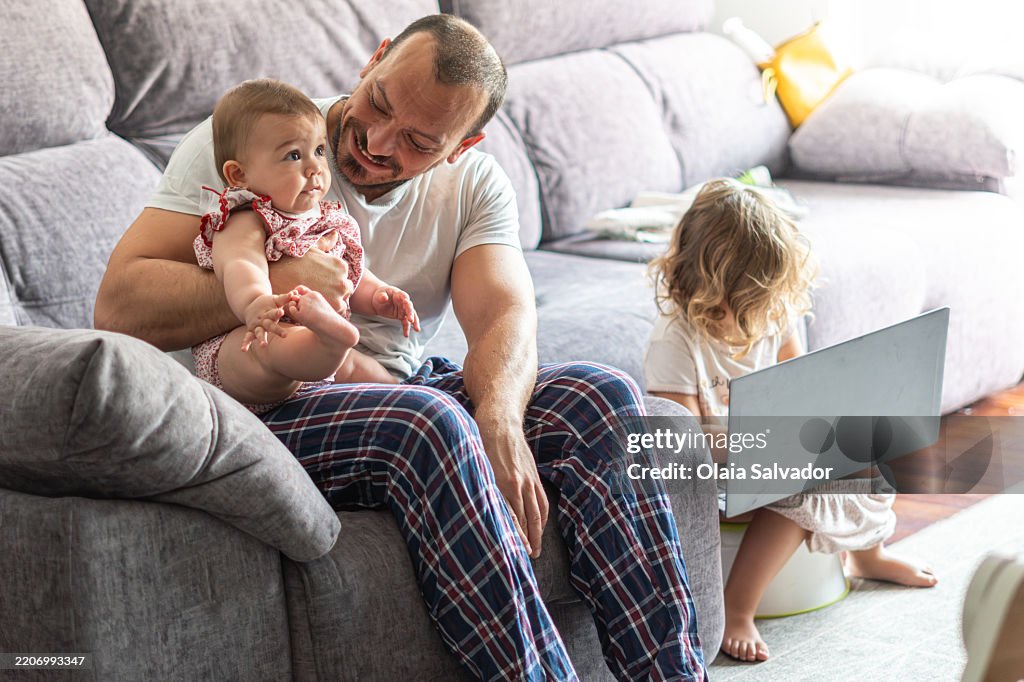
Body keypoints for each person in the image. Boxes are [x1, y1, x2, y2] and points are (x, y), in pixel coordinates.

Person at [95, 13, 707, 682]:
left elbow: (505, 311)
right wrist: (289, 277)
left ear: (461, 146)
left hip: (396, 387)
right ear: (374, 60)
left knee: (602, 397)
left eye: (418, 141)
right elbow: (120, 307)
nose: (375, 143)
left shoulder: (474, 187)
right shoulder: (262, 136)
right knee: (431, 422)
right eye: (378, 104)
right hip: (263, 393)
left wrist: (500, 420)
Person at [644, 179, 937, 664]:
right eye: (746, 304)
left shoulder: (775, 315)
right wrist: (762, 447)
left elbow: (802, 384)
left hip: (774, 456)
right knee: (802, 491)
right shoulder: (676, 343)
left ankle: (868, 554)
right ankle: (738, 608)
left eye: (766, 301)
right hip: (712, 480)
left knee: (868, 441)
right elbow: (680, 444)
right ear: (709, 291)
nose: (760, 315)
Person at [192, 79, 419, 414]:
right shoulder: (244, 219)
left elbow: (346, 274)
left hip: (316, 357)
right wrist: (255, 302)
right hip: (248, 339)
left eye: (318, 151)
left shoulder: (321, 220)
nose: (314, 168)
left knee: (362, 370)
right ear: (239, 175)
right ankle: (331, 340)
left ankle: (404, 396)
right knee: (267, 353)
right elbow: (241, 265)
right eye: (293, 156)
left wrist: (378, 296)